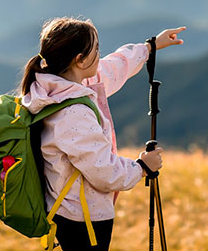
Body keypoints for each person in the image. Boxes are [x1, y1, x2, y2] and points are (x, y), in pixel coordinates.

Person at [20, 18, 185, 251]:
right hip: (82, 217)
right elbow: (103, 171)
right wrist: (142, 167)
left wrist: (150, 47)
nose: (100, 54)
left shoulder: (58, 86)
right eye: (96, 49)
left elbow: (114, 67)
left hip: (69, 208)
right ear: (80, 60)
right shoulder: (73, 112)